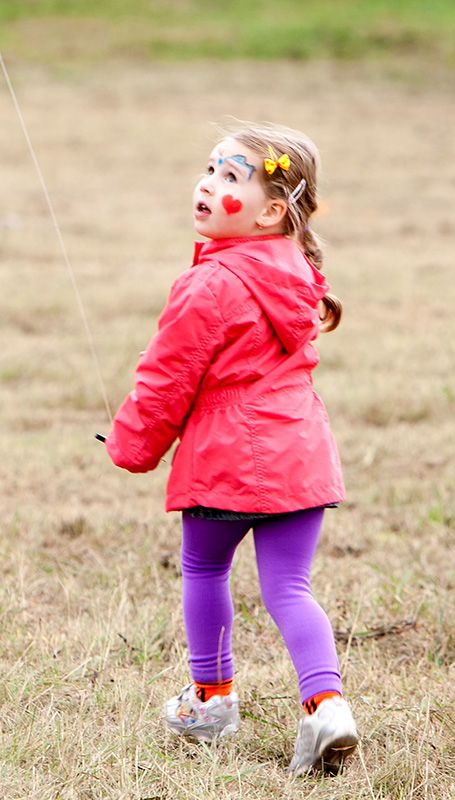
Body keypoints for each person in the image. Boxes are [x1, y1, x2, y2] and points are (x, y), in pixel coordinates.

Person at [104, 122, 360, 777]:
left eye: (229, 176)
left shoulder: (207, 284)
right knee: (290, 588)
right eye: (210, 168)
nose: (207, 183)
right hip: (300, 456)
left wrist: (131, 445)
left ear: (271, 211)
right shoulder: (298, 271)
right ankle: (327, 707)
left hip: (226, 460)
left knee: (204, 569)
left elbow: (166, 378)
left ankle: (212, 699)